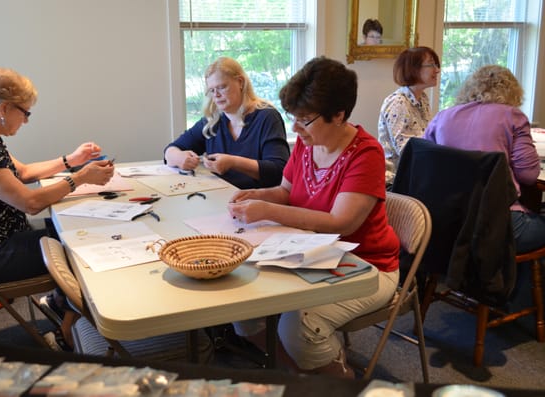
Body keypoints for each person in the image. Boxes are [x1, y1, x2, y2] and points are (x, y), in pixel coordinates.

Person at [227, 57, 400, 378]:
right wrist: (259, 195)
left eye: (304, 119)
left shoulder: (366, 153)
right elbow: (286, 192)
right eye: (295, 117)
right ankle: (301, 375)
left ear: (339, 115)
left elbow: (341, 223)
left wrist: (267, 210)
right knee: (242, 308)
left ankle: (340, 383)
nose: (295, 127)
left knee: (299, 325)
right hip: (312, 253)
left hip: (367, 266)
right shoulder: (308, 143)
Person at [0, 65, 115, 349]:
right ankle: (68, 327)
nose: (25, 121)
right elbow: (31, 202)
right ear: (5, 108)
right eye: (25, 112)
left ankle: (62, 304)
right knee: (80, 249)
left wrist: (71, 160)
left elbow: (21, 172)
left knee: (65, 231)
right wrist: (81, 178)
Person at [423, 65, 544, 254]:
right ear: (512, 91)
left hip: (446, 222)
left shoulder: (442, 117)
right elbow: (529, 175)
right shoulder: (513, 117)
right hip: (495, 224)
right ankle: (515, 282)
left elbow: (428, 167)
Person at [164, 57, 290, 189]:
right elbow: (171, 150)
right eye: (212, 90)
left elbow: (279, 171)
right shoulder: (213, 121)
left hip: (257, 201)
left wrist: (233, 162)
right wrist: (179, 157)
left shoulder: (267, 117)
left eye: (221, 87)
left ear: (240, 82)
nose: (216, 95)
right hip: (222, 197)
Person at [378, 46, 440, 186]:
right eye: (431, 64)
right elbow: (408, 152)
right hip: (397, 181)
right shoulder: (398, 102)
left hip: (416, 176)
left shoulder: (422, 99)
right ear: (414, 69)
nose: (437, 70)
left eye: (436, 65)